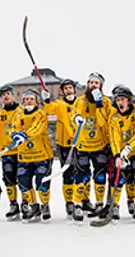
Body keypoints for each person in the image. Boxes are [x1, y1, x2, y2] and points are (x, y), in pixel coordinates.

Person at [71, 72, 114, 223]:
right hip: (83, 145)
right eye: (90, 83)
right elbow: (75, 115)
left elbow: (105, 123)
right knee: (81, 176)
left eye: (96, 83)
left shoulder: (107, 102)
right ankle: (78, 203)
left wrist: (99, 105)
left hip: (100, 146)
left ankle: (99, 204)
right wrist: (76, 118)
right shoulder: (80, 101)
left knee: (100, 176)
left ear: (101, 86)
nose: (93, 85)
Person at [10, 89, 54, 222]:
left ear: (36, 101)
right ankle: (34, 206)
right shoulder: (18, 115)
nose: (28, 101)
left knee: (42, 183)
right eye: (26, 99)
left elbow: (37, 128)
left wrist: (25, 134)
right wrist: (14, 134)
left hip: (42, 155)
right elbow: (13, 127)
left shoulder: (41, 114)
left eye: (31, 99)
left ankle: (45, 205)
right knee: (23, 183)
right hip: (24, 156)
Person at [106, 85, 135, 221]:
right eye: (118, 100)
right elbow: (114, 138)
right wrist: (117, 155)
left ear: (129, 100)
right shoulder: (114, 118)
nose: (120, 102)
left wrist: (128, 148)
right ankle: (115, 205)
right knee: (118, 179)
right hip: (121, 155)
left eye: (123, 99)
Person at [42, 79, 79, 218]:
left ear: (74, 89)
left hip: (80, 144)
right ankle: (69, 202)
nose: (68, 90)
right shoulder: (58, 104)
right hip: (64, 144)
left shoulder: (80, 103)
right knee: (68, 174)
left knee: (81, 173)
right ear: (62, 91)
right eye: (66, 88)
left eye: (70, 88)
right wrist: (46, 100)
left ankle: (82, 200)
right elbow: (49, 109)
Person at [0, 85, 24, 220]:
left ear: (13, 95)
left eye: (8, 94)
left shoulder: (22, 111)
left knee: (23, 179)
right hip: (6, 152)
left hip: (21, 151)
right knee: (9, 179)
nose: (6, 96)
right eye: (3, 95)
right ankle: (13, 204)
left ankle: (26, 204)